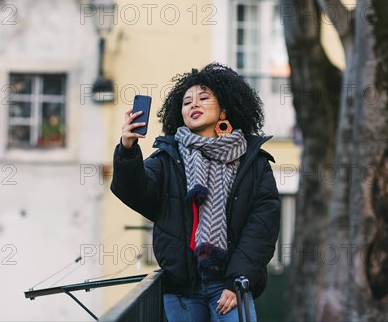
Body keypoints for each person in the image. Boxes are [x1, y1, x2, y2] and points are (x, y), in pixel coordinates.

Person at [111, 63, 281, 321]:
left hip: (229, 285)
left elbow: (262, 228)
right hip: (181, 290)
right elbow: (136, 192)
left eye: (204, 98)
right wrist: (127, 149)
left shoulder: (253, 162)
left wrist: (236, 281)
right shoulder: (169, 158)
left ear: (224, 109)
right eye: (187, 102)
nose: (194, 105)